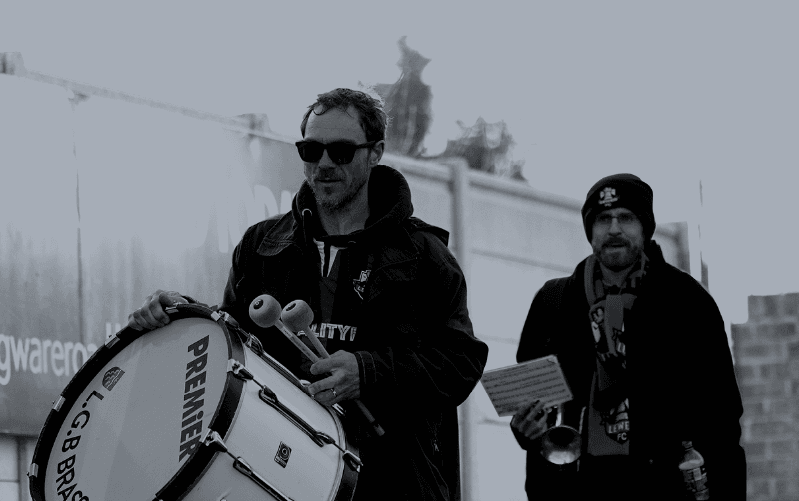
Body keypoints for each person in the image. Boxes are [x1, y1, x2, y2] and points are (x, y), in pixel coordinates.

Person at [128, 88, 489, 500]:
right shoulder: (263, 245)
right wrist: (182, 311)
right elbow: (233, 346)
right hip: (281, 477)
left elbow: (461, 361)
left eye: (340, 151)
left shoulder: (425, 254)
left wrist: (367, 371)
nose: (324, 164)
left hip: (394, 481)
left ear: (375, 153)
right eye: (311, 149)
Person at [509, 174, 746, 500]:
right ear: (590, 230)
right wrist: (527, 430)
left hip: (662, 486)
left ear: (645, 227)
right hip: (575, 486)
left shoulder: (687, 301)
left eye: (626, 218)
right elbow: (534, 404)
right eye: (603, 219)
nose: (614, 229)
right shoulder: (553, 302)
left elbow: (721, 417)